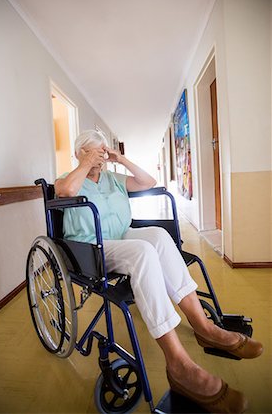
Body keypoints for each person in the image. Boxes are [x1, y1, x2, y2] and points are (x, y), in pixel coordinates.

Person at [55, 129, 263, 413]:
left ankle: (204, 327)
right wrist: (84, 162)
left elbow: (148, 181)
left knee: (158, 237)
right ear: (79, 152)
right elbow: (65, 192)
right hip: (90, 248)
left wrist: (121, 159)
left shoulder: (113, 179)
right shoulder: (69, 179)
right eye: (93, 152)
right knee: (142, 252)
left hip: (121, 235)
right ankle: (178, 364)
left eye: (102, 153)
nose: (99, 159)